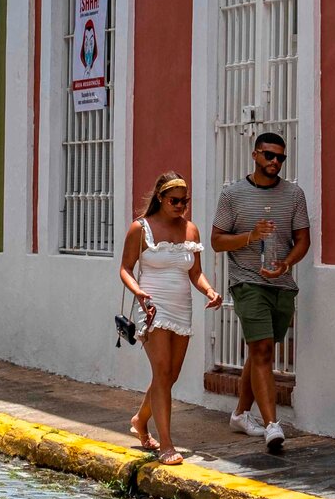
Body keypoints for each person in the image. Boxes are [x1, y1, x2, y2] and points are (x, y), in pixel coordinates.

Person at [210, 131, 311, 453]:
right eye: (269, 155)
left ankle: (240, 414)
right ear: (254, 155)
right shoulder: (232, 195)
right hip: (247, 281)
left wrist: (285, 264)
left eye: (281, 157)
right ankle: (272, 426)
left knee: (259, 353)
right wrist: (251, 236)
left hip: (281, 285)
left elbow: (303, 240)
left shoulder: (294, 195)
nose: (275, 162)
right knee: (264, 349)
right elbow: (216, 241)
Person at [119, 172, 222, 466]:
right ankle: (166, 443)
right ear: (161, 199)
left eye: (184, 201)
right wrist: (139, 293)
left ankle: (140, 419)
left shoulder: (191, 230)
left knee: (170, 375)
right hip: (152, 306)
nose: (180, 206)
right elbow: (125, 268)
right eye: (174, 200)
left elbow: (195, 272)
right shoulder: (141, 229)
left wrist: (210, 291)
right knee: (162, 372)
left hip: (181, 306)